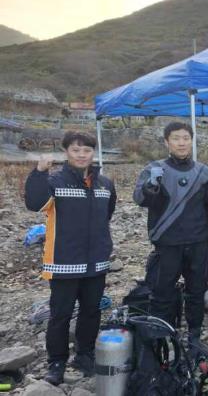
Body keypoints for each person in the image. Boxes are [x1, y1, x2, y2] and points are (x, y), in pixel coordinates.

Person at [24, 131, 117, 385]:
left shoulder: (105, 184)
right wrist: (39, 172)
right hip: (64, 262)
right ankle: (57, 362)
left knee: (91, 311)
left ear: (93, 153)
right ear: (66, 152)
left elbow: (107, 214)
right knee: (60, 314)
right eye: (76, 150)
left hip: (96, 261)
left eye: (86, 150)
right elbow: (34, 203)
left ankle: (85, 355)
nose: (81, 155)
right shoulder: (54, 181)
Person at [133, 122, 208, 358]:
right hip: (167, 243)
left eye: (185, 138)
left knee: (197, 291)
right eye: (176, 138)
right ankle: (161, 339)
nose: (181, 143)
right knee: (162, 293)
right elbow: (139, 198)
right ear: (166, 142)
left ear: (192, 141)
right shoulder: (154, 169)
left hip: (197, 242)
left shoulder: (203, 172)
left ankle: (194, 338)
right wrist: (151, 187)